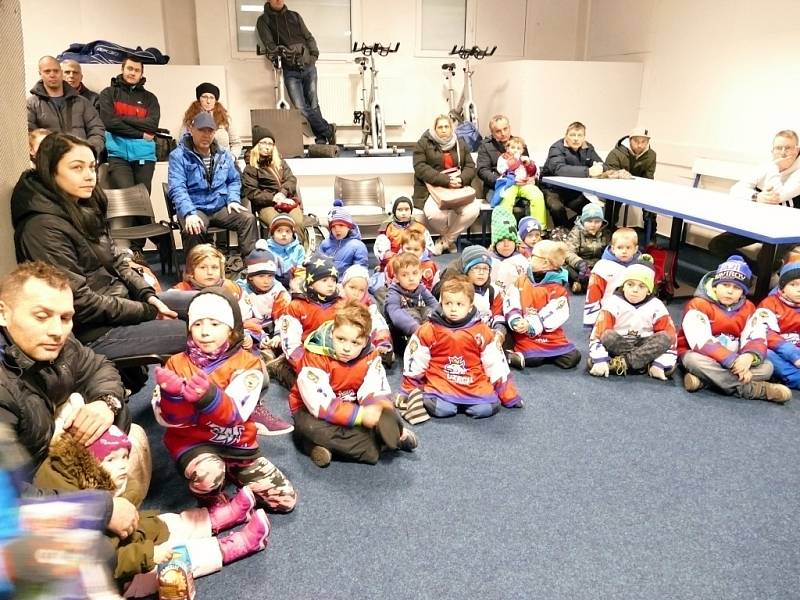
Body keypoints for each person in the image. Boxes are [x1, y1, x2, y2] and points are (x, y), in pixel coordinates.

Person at [11, 133, 187, 363]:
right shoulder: (42, 228)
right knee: (207, 333)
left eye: (92, 167)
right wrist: (146, 311)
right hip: (94, 331)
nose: (89, 176)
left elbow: (116, 261)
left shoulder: (82, 206)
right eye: (77, 167)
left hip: (120, 304)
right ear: (50, 171)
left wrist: (148, 295)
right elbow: (80, 303)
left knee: (217, 303)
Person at [34, 425, 270, 596]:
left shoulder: (86, 482)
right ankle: (231, 547)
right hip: (115, 576)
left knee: (166, 521)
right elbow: (103, 560)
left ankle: (213, 519)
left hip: (125, 541)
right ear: (88, 465)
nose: (123, 466)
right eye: (111, 460)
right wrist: (149, 555)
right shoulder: (67, 519)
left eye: (124, 457)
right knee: (178, 559)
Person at [0, 262, 142, 546]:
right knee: (101, 551)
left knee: (127, 428)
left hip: (44, 466)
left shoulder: (57, 344)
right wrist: (100, 510)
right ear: (3, 313)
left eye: (66, 318)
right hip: (16, 501)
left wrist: (106, 403)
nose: (57, 330)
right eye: (41, 316)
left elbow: (99, 367)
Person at [153, 287, 298, 511]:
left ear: (230, 330)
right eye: (198, 324)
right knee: (208, 476)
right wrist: (171, 397)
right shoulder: (175, 363)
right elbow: (173, 420)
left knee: (284, 500)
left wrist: (208, 396)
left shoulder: (248, 363)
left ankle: (232, 469)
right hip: (195, 443)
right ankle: (209, 497)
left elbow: (234, 415)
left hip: (236, 442)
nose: (205, 332)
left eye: (214, 324)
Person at [287, 302, 417, 467]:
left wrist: (377, 409)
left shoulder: (371, 355)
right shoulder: (314, 356)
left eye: (355, 343)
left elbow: (375, 388)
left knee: (387, 413)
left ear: (365, 341)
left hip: (352, 406)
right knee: (309, 429)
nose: (347, 348)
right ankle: (382, 444)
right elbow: (320, 404)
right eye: (341, 339)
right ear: (332, 332)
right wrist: (361, 416)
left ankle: (326, 448)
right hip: (313, 411)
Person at [400, 276, 521, 420]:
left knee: (485, 409)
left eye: (459, 304)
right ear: (441, 303)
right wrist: (408, 391)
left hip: (473, 381)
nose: (453, 309)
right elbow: (415, 360)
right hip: (441, 381)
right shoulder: (428, 329)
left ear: (470, 306)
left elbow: (496, 364)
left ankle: (471, 402)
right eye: (448, 303)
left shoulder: (482, 331)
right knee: (442, 410)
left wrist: (509, 395)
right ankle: (445, 401)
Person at [677, 255, 791, 403]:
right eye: (725, 285)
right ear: (715, 285)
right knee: (693, 361)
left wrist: (748, 357)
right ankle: (756, 390)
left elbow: (756, 336)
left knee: (768, 367)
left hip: (737, 361)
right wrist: (732, 361)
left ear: (743, 292)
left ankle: (706, 382)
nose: (730, 291)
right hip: (704, 356)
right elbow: (700, 341)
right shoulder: (698, 304)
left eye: (736, 287)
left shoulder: (749, 307)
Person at [168, 111, 258, 260]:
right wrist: (189, 213)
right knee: (194, 228)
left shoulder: (224, 154)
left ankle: (252, 268)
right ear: (191, 130)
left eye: (210, 131)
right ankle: (196, 273)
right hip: (194, 207)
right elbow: (177, 188)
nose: (206, 135)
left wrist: (233, 199)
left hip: (219, 206)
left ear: (214, 133)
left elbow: (234, 180)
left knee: (248, 219)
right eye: (201, 130)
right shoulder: (178, 156)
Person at [709, 130, 800, 268]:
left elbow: (778, 195)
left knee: (766, 259)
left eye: (788, 148)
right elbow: (736, 189)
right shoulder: (767, 165)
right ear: (772, 151)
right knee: (717, 244)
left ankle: (762, 276)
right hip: (762, 223)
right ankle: (753, 274)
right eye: (778, 148)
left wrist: (775, 168)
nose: (782, 153)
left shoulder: (787, 169)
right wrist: (756, 196)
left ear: (797, 149)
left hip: (789, 228)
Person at [256, 0, 336, 145]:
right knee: (300, 108)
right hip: (290, 70)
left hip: (308, 66)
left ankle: (322, 138)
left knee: (313, 104)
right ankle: (328, 130)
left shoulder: (294, 16)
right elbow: (270, 45)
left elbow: (308, 37)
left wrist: (313, 55)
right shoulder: (264, 20)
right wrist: (280, 55)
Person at [587, 259, 677, 380]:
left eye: (641, 286)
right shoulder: (613, 302)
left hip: (644, 344)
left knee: (664, 338)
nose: (635, 290)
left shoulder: (657, 305)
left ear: (649, 290)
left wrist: (661, 363)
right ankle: (642, 364)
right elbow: (596, 335)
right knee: (607, 335)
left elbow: (671, 338)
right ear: (623, 286)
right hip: (619, 344)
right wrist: (600, 359)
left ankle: (622, 363)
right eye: (630, 284)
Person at [504, 240, 581, 370]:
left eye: (533, 256)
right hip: (524, 333)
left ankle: (541, 354)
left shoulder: (558, 288)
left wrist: (531, 324)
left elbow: (557, 313)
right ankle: (507, 355)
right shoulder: (522, 280)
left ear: (545, 262)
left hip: (548, 333)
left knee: (573, 358)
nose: (529, 258)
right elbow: (511, 300)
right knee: (533, 359)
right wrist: (516, 319)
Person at [413, 114, 480, 254]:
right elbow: (420, 167)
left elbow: (470, 166)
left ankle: (446, 241)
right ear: (434, 129)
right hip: (433, 188)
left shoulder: (460, 143)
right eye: (440, 127)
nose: (443, 130)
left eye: (446, 126)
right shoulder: (423, 143)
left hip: (458, 186)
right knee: (433, 214)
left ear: (451, 128)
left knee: (473, 210)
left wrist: (461, 179)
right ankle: (450, 241)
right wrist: (446, 181)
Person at [98, 55, 160, 194]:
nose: (132, 73)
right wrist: (140, 134)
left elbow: (152, 125)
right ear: (122, 69)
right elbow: (109, 123)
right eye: (130, 68)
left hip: (145, 156)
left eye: (137, 70)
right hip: (118, 155)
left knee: (143, 202)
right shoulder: (108, 93)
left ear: (141, 74)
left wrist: (122, 118)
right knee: (128, 200)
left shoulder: (150, 98)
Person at [241, 126, 308, 247]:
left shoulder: (281, 162)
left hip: (287, 200)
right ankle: (278, 255)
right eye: (264, 143)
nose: (267, 147)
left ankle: (297, 254)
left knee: (297, 222)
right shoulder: (250, 168)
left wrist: (282, 193)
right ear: (256, 145)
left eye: (270, 144)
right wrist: (273, 198)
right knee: (281, 223)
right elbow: (252, 192)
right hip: (266, 205)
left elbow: (291, 179)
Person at [27, 56, 104, 156]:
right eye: (47, 71)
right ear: (40, 74)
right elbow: (30, 135)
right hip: (49, 161)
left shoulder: (82, 102)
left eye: (56, 71)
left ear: (61, 72)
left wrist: (90, 150)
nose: (52, 75)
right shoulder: (31, 104)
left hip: (80, 158)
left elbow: (97, 129)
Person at [541, 121, 606, 228]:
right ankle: (563, 233)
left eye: (579, 135)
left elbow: (601, 164)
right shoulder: (556, 148)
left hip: (573, 191)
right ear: (566, 136)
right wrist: (588, 171)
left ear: (584, 137)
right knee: (557, 208)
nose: (576, 139)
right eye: (572, 135)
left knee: (593, 210)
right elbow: (559, 169)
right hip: (552, 189)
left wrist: (601, 168)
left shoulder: (588, 148)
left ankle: (570, 229)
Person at [583, 227, 642, 327]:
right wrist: (592, 321)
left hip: (631, 314)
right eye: (620, 248)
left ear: (635, 249)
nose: (624, 251)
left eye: (628, 248)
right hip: (607, 312)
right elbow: (593, 294)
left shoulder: (640, 267)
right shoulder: (602, 267)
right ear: (613, 248)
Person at [383, 253, 440, 354]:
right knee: (410, 313)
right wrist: (415, 328)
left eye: (415, 273)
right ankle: (416, 351)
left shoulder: (421, 288)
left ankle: (434, 340)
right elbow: (396, 314)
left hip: (422, 325)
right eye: (404, 275)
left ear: (420, 273)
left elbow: (434, 303)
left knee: (429, 311)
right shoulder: (393, 293)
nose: (411, 278)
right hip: (403, 329)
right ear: (396, 277)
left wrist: (443, 319)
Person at [758, 258, 800, 389]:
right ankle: (795, 378)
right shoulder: (770, 303)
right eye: (793, 285)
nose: (799, 290)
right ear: (782, 288)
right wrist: (791, 354)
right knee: (765, 353)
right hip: (777, 348)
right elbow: (764, 331)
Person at [339, 265, 393, 366]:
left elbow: (379, 325)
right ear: (344, 285)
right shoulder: (335, 303)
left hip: (360, 340)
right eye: (352, 287)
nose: (356, 293)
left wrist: (383, 341)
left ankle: (381, 349)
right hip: (340, 341)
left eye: (361, 290)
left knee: (376, 320)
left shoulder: (368, 305)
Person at [605, 126, 657, 230]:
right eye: (636, 141)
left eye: (644, 141)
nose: (640, 145)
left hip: (638, 187)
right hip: (617, 187)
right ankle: (609, 229)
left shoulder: (651, 155)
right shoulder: (616, 153)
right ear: (630, 140)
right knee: (612, 198)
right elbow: (609, 173)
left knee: (651, 199)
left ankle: (650, 234)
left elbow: (649, 176)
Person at [493, 135, 547, 229]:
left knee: (537, 195)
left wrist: (529, 164)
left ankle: (539, 228)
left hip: (524, 184)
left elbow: (534, 171)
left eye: (518, 148)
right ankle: (505, 228)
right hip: (510, 184)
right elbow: (502, 170)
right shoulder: (503, 158)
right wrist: (514, 161)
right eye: (513, 147)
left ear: (522, 150)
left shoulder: (525, 159)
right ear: (507, 148)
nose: (515, 150)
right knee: (506, 197)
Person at [180, 82, 242, 159]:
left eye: (212, 98)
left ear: (215, 100)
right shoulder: (190, 118)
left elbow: (236, 143)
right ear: (199, 99)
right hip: (196, 164)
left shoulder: (225, 118)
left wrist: (231, 158)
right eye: (204, 97)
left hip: (223, 165)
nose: (208, 101)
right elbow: (182, 144)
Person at [476, 114, 527, 204]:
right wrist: (502, 180)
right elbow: (482, 171)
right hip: (494, 186)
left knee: (528, 202)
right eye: (498, 131)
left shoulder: (519, 144)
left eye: (505, 129)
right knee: (502, 201)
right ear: (492, 133)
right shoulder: (485, 146)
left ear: (510, 128)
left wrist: (530, 178)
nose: (503, 133)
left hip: (519, 184)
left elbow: (527, 165)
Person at [374, 196, 431, 272]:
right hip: (395, 263)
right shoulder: (387, 228)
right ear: (394, 210)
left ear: (411, 210)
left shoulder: (420, 227)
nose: (403, 213)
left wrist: (417, 257)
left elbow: (429, 248)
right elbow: (382, 251)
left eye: (407, 209)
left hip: (417, 263)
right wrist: (398, 259)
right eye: (400, 210)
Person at [565, 203, 612, 294]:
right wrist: (579, 263)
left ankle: (584, 284)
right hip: (579, 265)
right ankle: (582, 282)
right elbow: (568, 252)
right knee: (566, 269)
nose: (593, 225)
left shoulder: (606, 233)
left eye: (597, 221)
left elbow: (610, 250)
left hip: (597, 265)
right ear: (583, 221)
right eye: (589, 221)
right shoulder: (576, 232)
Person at [172, 244, 242, 300]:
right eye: (203, 267)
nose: (209, 272)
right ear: (191, 271)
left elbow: (246, 311)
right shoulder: (181, 290)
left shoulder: (230, 287)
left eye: (214, 267)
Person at [319, 201, 369, 275]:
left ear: (349, 227)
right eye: (333, 226)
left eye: (341, 225)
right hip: (327, 282)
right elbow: (318, 266)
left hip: (347, 284)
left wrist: (345, 284)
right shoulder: (325, 244)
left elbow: (360, 272)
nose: (337, 229)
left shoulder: (358, 246)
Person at [489, 207, 529, 291]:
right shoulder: (488, 262)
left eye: (510, 240)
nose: (506, 244)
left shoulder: (522, 260)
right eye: (501, 240)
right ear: (494, 244)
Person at [266, 214, 306, 287]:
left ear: (293, 234)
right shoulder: (267, 249)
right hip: (271, 284)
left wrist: (297, 284)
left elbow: (301, 271)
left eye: (288, 231)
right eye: (279, 231)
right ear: (272, 234)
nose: (284, 234)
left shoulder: (299, 249)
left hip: (293, 284)